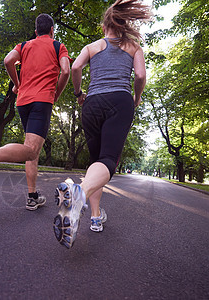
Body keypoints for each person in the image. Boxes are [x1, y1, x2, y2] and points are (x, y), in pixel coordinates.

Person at [53, 0, 151, 248]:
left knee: (97, 163)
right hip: (119, 100)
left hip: (92, 103)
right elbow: (139, 75)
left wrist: (78, 94)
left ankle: (95, 217)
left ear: (105, 24)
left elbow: (75, 67)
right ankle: (79, 193)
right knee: (108, 161)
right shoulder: (133, 47)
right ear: (123, 24)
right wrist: (136, 97)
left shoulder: (92, 46)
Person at [0, 13, 71, 211]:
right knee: (33, 149)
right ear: (52, 31)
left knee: (30, 149)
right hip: (42, 100)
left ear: (36, 31)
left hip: (23, 102)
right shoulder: (57, 45)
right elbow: (66, 71)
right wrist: (56, 94)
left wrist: (18, 85)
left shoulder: (24, 45)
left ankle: (32, 196)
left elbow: (8, 60)